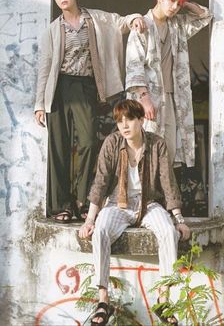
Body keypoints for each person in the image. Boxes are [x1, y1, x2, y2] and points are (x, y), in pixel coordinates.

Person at [34, 0, 146, 223]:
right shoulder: (53, 30)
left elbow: (120, 22)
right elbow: (44, 68)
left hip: (86, 87)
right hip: (59, 89)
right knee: (59, 147)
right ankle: (61, 205)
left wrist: (135, 18)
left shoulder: (95, 19)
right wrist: (39, 105)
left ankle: (86, 201)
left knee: (87, 143)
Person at [79, 99, 190, 325]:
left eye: (129, 119)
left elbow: (168, 183)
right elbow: (100, 181)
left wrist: (179, 219)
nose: (124, 125)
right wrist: (90, 219)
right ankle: (103, 300)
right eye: (119, 121)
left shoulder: (157, 144)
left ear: (141, 120)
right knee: (100, 230)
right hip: (117, 204)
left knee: (169, 232)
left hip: (148, 204)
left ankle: (163, 299)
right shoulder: (112, 143)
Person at [126, 0, 213, 168]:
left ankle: (162, 197)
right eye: (171, 1)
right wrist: (144, 97)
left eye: (178, 4)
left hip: (173, 98)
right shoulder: (142, 25)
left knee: (170, 152)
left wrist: (184, 0)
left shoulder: (177, 25)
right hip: (148, 97)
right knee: (145, 151)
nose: (174, 7)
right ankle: (143, 196)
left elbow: (205, 16)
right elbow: (134, 66)